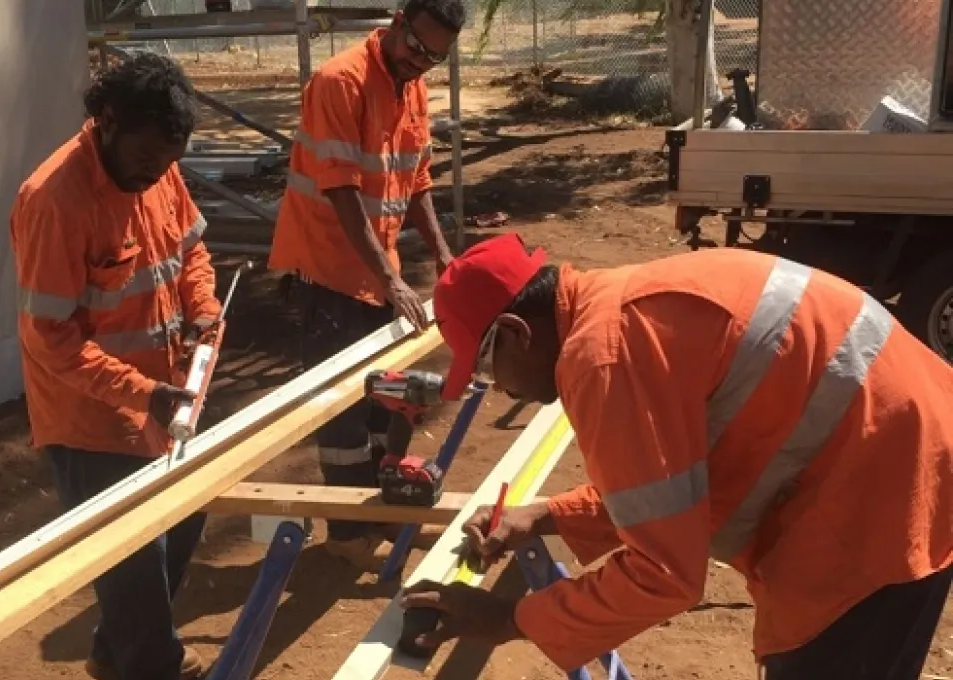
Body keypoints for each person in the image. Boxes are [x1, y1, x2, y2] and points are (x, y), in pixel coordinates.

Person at [402, 232, 953, 680]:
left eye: (484, 369)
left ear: (517, 333)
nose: (498, 389)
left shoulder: (604, 357)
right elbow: (668, 485)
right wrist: (545, 516)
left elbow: (663, 573)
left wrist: (507, 618)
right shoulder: (620, 308)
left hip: (882, 498)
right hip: (909, 450)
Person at [9, 53, 219, 680]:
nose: (156, 173)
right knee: (129, 559)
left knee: (182, 519)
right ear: (106, 121)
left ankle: (112, 654)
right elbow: (51, 339)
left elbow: (192, 251)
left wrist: (204, 309)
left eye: (167, 161)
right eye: (146, 159)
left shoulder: (159, 169)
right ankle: (150, 666)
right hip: (89, 418)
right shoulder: (53, 202)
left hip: (162, 399)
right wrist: (140, 391)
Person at [266, 0, 466, 571]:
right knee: (342, 412)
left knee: (388, 398)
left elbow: (417, 177)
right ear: (398, 20)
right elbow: (341, 188)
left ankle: (381, 508)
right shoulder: (339, 81)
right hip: (327, 270)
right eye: (416, 47)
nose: (420, 62)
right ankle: (349, 533)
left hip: (378, 271)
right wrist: (390, 279)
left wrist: (443, 254)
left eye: (435, 58)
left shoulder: (413, 85)